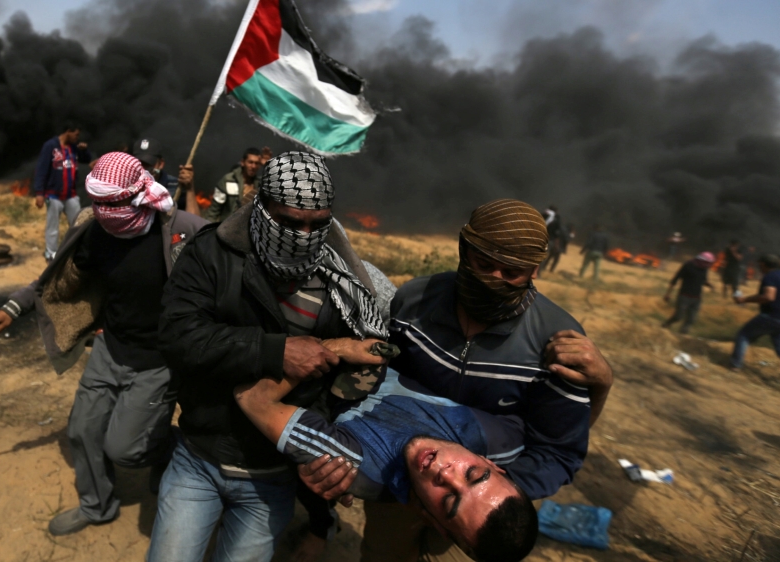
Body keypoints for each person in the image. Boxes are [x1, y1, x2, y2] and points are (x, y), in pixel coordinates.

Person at [304, 199, 611, 562]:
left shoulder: (556, 342)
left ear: (534, 269)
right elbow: (377, 386)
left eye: (512, 272)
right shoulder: (414, 302)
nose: (495, 279)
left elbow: (559, 453)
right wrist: (354, 460)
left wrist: (480, 493)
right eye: (484, 264)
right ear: (464, 250)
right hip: (402, 478)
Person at [150, 152, 386, 562]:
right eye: (291, 222)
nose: (304, 235)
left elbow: (347, 378)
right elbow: (177, 336)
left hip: (274, 474)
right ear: (261, 206)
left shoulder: (343, 282)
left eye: (317, 224)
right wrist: (273, 351)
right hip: (201, 455)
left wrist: (322, 449)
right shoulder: (213, 253)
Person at [0, 153, 207, 536]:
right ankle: (96, 506)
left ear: (138, 194)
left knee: (126, 449)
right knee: (82, 431)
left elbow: (229, 270)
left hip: (157, 362)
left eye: (112, 203)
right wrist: (14, 306)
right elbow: (55, 278)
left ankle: (170, 448)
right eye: (99, 202)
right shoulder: (94, 229)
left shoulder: (181, 231)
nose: (105, 211)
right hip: (109, 349)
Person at [235, 368, 538, 562]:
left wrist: (333, 348)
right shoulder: (501, 436)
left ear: (432, 521)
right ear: (490, 463)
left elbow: (252, 399)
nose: (446, 474)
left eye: (449, 500)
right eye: (472, 473)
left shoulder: (357, 470)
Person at [34, 124, 92, 261]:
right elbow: (42, 169)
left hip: (71, 195)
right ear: (68, 131)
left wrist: (84, 150)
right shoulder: (50, 146)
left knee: (78, 224)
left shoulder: (74, 148)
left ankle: (76, 251)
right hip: (53, 195)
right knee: (53, 227)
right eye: (76, 134)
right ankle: (51, 253)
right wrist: (39, 193)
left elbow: (86, 159)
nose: (77, 138)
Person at [729, 254, 780, 371]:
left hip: (770, 316)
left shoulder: (770, 276)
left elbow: (769, 296)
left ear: (763, 264)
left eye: (759, 264)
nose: (758, 267)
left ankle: (735, 364)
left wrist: (744, 299)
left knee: (744, 335)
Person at [662, 252, 716, 334]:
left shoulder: (704, 269)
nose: (708, 265)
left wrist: (710, 285)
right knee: (678, 316)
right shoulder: (688, 265)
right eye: (707, 263)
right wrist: (668, 294)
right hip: (684, 296)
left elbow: (702, 280)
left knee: (691, 319)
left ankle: (682, 334)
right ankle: (666, 324)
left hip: (696, 298)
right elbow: (675, 279)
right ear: (701, 260)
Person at [204, 147, 262, 222]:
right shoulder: (228, 181)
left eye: (257, 163)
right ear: (243, 162)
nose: (253, 166)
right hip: (228, 225)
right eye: (250, 162)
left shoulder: (260, 184)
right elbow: (213, 212)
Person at [539, 206, 567, 275]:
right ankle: (538, 273)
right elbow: (557, 234)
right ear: (556, 211)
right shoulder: (556, 220)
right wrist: (556, 245)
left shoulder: (541, 215)